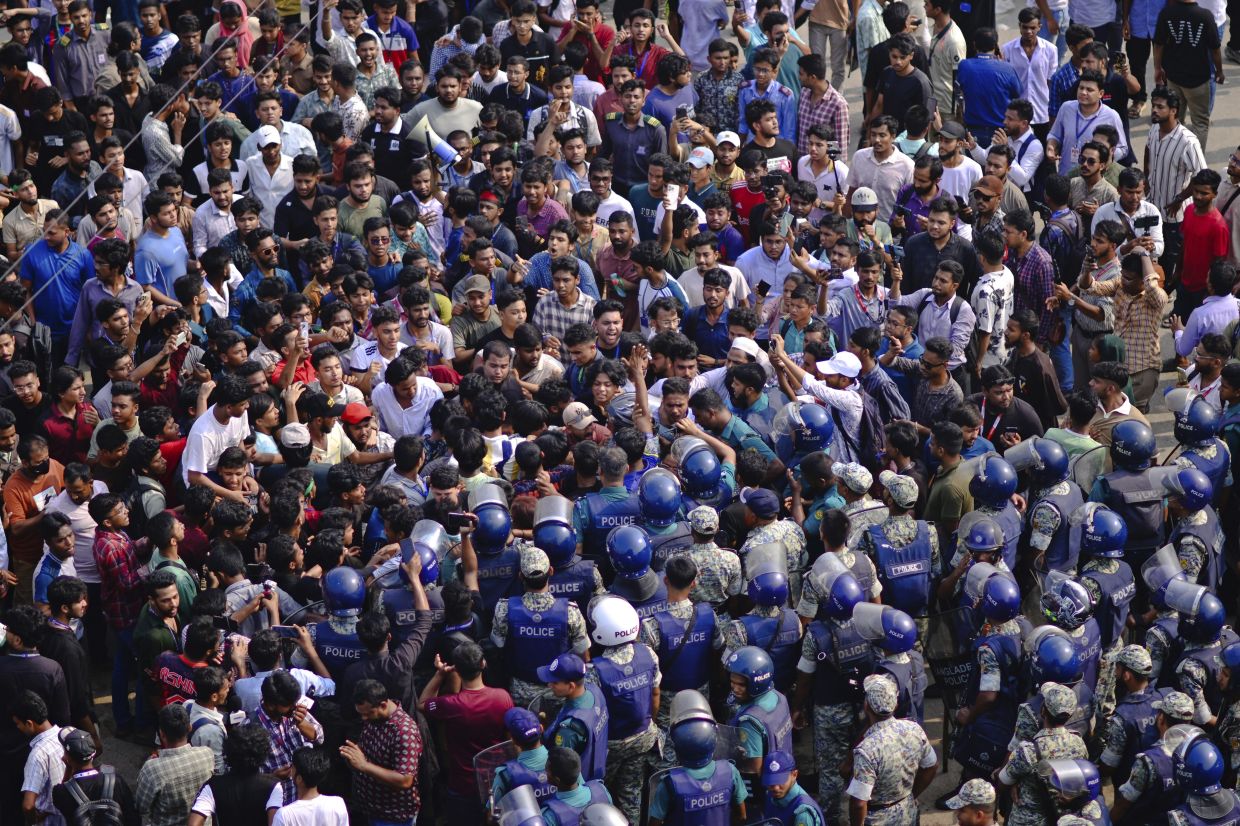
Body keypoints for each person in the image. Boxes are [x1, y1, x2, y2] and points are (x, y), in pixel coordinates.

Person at [846, 674, 939, 825]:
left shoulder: (866, 749)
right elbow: (932, 766)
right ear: (895, 705)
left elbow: (858, 803)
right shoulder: (914, 729)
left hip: (877, 819)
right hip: (908, 812)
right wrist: (909, 795)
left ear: (867, 706)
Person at [341, 679, 424, 826]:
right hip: (371, 809)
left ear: (383, 705)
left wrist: (364, 765)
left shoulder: (404, 732)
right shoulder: (375, 718)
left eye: (367, 714)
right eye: (361, 714)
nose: (364, 718)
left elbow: (405, 780)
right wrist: (354, 755)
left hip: (393, 816)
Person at [134, 703, 215, 826]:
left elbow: (141, 807)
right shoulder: (207, 754)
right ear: (190, 728)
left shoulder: (152, 769)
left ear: (162, 734)